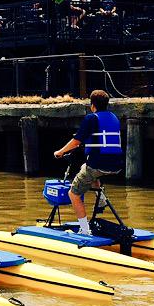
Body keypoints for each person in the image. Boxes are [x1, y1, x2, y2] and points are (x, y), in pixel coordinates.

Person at [53, 90, 123, 236]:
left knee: (73, 194)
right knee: (87, 169)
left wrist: (60, 152)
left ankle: (84, 231)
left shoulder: (92, 118)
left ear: (92, 105)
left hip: (98, 163)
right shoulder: (114, 117)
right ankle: (101, 198)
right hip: (117, 164)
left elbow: (77, 141)